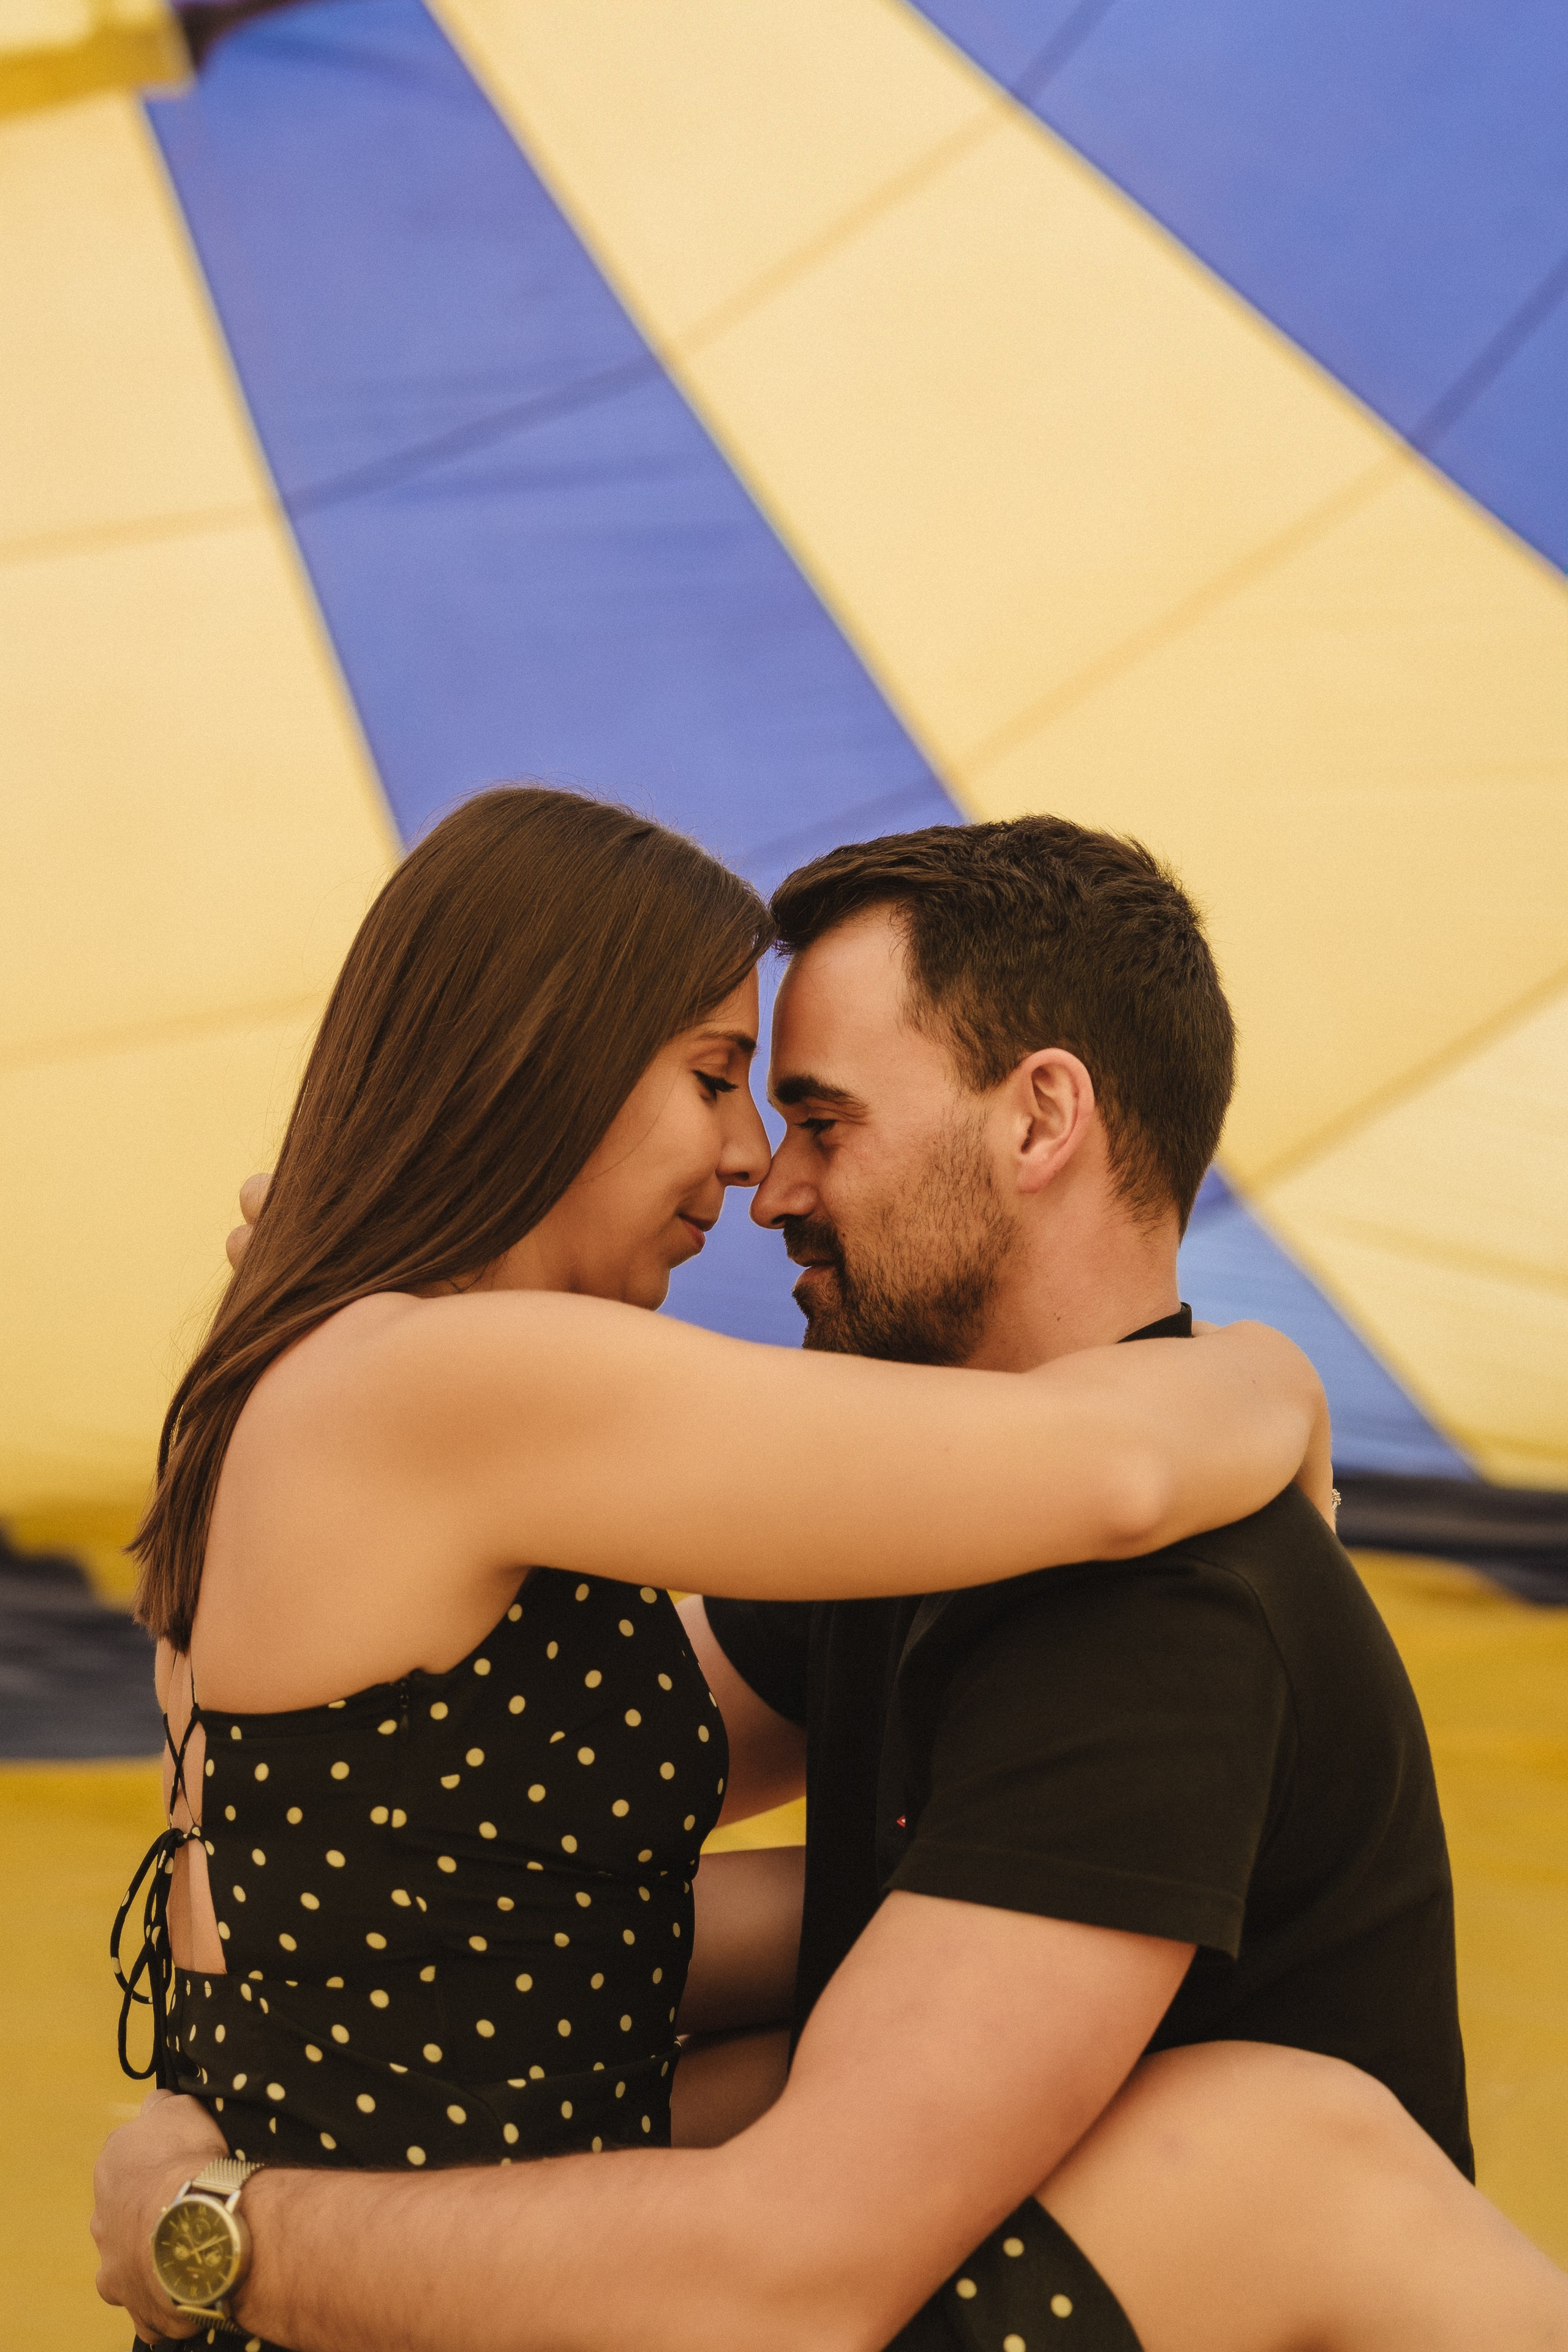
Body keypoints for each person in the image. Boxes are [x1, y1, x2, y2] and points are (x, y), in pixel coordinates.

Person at [94, 798, 1568, 2351]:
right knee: (1285, 2156)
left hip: (374, 2262)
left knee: (1259, 2144)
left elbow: (519, 1877)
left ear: (1038, 1118)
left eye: (813, 1113)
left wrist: (222, 2224)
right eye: (724, 1086)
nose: (759, 1176)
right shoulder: (464, 1384)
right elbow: (1117, 1469)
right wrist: (1276, 1379)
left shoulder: (1112, 1592)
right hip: (435, 2289)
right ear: (543, 1058)